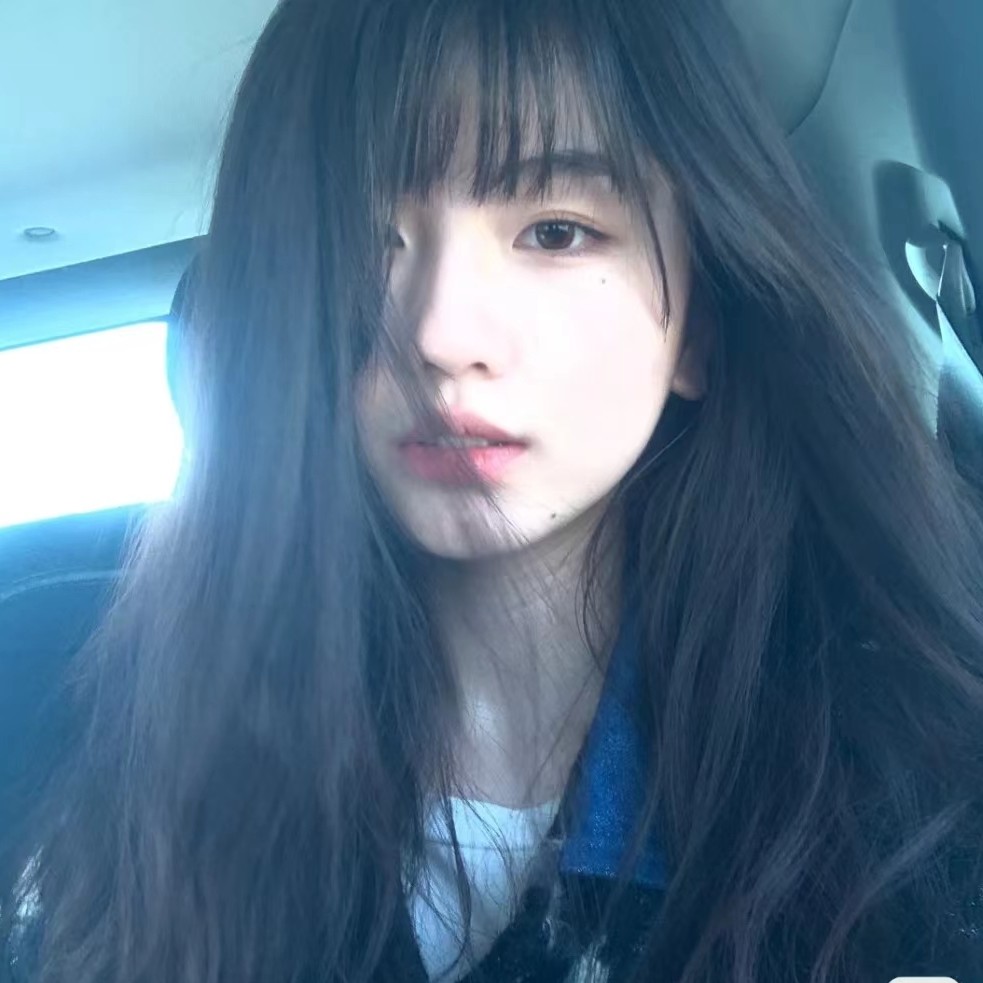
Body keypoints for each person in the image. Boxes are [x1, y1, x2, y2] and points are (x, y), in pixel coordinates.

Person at [4, 0, 983, 979]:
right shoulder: (76, 730)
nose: (439, 334)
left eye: (555, 232)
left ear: (698, 325)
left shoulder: (907, 782)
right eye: (361, 234)